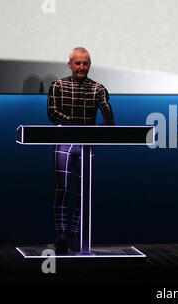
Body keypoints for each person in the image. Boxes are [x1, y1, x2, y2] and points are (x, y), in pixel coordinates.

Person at [47, 47, 115, 254]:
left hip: (87, 145)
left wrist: (108, 123)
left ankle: (77, 234)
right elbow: (52, 113)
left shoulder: (98, 88)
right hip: (64, 142)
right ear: (70, 64)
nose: (82, 67)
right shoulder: (58, 85)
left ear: (90, 64)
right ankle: (60, 235)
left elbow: (107, 112)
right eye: (78, 63)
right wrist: (75, 123)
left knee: (83, 193)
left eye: (85, 63)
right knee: (62, 189)